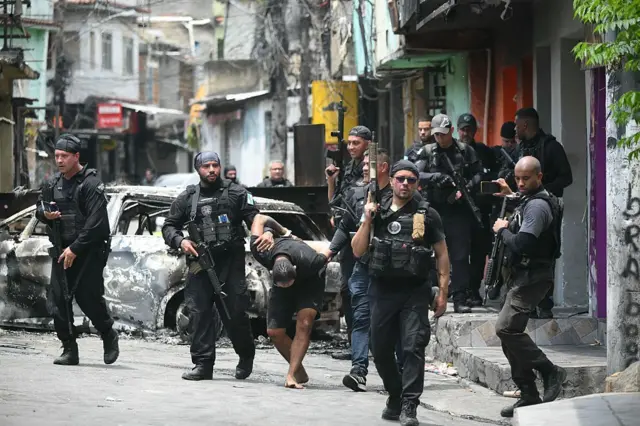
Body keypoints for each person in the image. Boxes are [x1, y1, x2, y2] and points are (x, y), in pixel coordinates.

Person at [352, 160, 449, 426]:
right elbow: (357, 250)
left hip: (414, 290)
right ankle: (395, 394)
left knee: (413, 347)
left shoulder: (428, 214)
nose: (405, 184)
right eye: (401, 179)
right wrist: (367, 219)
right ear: (392, 180)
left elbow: (442, 254)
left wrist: (443, 291)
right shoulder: (376, 209)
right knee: (380, 348)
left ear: (417, 184)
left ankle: (409, 405)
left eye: (411, 180)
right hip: (382, 289)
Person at [162, 151, 274, 381]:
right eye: (206, 166)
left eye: (215, 165)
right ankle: (203, 364)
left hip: (230, 263)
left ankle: (246, 355)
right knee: (199, 313)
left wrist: (268, 232)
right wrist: (180, 241)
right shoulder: (188, 197)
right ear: (198, 169)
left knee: (235, 313)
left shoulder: (237, 193)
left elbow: (256, 219)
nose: (212, 170)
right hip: (199, 264)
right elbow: (169, 226)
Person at [491, 156, 567, 418]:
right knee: (509, 336)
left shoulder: (537, 207)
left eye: (526, 179)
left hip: (532, 277)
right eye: (517, 179)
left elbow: (524, 243)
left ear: (539, 177)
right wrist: (510, 194)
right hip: (522, 276)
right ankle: (528, 394)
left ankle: (549, 371)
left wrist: (502, 230)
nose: (521, 183)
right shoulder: (530, 199)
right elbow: (522, 203)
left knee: (505, 328)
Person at [35, 134, 119, 366]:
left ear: (76, 157)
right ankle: (69, 348)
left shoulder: (90, 184)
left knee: (88, 298)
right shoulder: (52, 184)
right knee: (58, 302)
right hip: (62, 251)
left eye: (64, 156)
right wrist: (45, 214)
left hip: (87, 252)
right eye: (57, 156)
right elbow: (39, 208)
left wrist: (75, 248)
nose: (59, 161)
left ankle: (108, 333)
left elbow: (96, 224)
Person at [249, 214, 331, 389]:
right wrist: (281, 231)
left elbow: (331, 249)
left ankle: (291, 374)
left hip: (310, 279)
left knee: (304, 323)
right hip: (284, 266)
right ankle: (298, 369)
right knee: (274, 331)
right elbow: (259, 217)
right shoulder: (261, 250)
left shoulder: (312, 261)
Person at [416, 114, 483, 313]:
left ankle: (460, 297)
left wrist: (467, 187)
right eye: (437, 135)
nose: (440, 138)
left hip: (458, 210)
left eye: (443, 134)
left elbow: (479, 173)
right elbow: (416, 174)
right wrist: (435, 177)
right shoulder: (428, 151)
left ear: (451, 131)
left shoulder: (465, 151)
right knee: (426, 254)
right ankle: (429, 295)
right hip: (433, 209)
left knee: (460, 256)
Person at [513, 107, 573, 318]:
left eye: (517, 125)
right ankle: (526, 302)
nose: (515, 129)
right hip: (524, 207)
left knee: (546, 253)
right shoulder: (521, 149)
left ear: (525, 125)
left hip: (547, 208)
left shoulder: (551, 147)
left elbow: (566, 178)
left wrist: (542, 190)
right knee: (524, 251)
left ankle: (544, 303)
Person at [325, 125, 370, 359]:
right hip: (347, 234)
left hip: (366, 236)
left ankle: (369, 344)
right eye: (349, 143)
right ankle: (355, 345)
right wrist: (331, 180)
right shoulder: (349, 167)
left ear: (368, 144)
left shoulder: (371, 168)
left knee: (364, 291)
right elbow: (335, 202)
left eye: (356, 143)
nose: (351, 147)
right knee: (347, 290)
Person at [457, 113, 499, 306]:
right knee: (459, 253)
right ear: (457, 130)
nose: (466, 133)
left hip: (480, 210)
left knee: (479, 252)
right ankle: (460, 290)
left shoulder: (483, 151)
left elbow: (494, 176)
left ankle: (473, 290)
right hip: (458, 211)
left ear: (475, 131)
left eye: (469, 130)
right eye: (463, 129)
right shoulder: (451, 151)